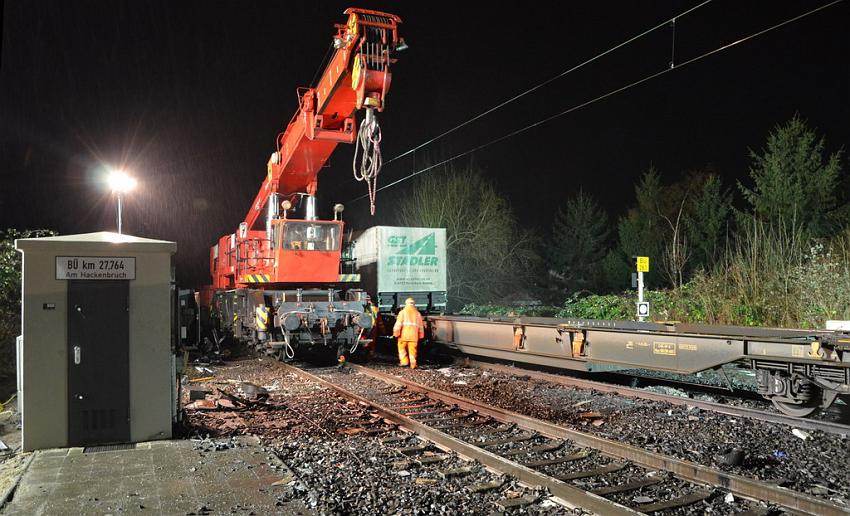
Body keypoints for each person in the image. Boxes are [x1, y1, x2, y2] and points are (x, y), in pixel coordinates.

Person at [393, 297, 424, 369]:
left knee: (402, 349)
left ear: (406, 304)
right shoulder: (418, 314)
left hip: (403, 336)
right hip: (414, 336)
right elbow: (420, 326)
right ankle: (413, 364)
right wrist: (421, 335)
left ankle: (404, 362)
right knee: (413, 351)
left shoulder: (402, 312)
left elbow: (398, 324)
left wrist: (396, 333)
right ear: (414, 304)